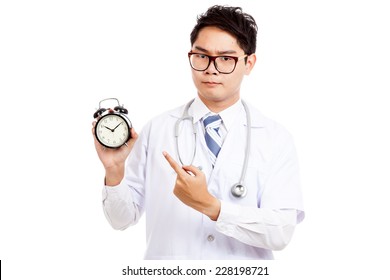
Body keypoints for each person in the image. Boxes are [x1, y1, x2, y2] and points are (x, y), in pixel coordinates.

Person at [93, 5, 304, 260]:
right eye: (202, 56)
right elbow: (121, 220)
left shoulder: (275, 138)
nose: (211, 69)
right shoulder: (157, 129)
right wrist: (114, 172)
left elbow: (280, 231)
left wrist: (212, 207)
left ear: (249, 63)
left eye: (226, 58)